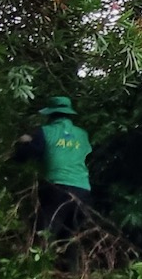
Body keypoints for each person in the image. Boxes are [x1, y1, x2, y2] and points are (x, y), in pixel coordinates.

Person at [14, 96, 93, 266]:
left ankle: (39, 274)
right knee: (72, 240)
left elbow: (25, 156)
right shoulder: (82, 134)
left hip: (56, 188)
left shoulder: (46, 132)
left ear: (50, 115)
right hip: (82, 190)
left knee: (45, 235)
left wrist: (23, 143)